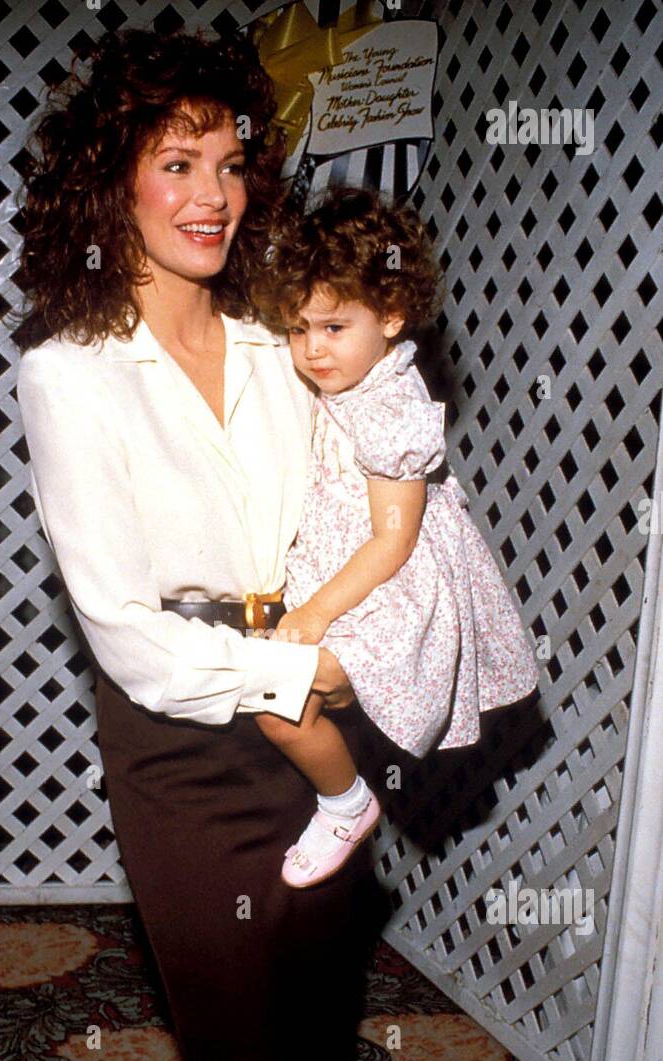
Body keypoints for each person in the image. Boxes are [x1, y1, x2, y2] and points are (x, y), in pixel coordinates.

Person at [11, 27, 380, 1061]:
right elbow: (121, 626)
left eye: (230, 162)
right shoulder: (67, 373)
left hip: (316, 717)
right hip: (184, 744)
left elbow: (350, 510)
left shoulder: (286, 339)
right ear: (113, 181)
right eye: (178, 162)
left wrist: (346, 648)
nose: (213, 194)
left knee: (307, 1010)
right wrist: (298, 678)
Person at [249, 188, 540, 889]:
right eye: (297, 330)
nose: (312, 349)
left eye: (332, 327)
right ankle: (342, 796)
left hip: (392, 590)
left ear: (390, 315)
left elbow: (392, 543)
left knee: (276, 699)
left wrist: (315, 611)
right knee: (276, 700)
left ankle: (344, 804)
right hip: (343, 572)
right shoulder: (340, 381)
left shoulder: (391, 408)